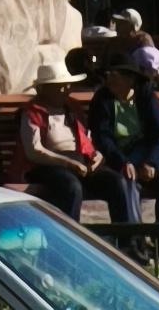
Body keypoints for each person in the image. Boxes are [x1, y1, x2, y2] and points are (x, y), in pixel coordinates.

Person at [89, 51, 159, 244]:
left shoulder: (146, 96)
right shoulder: (102, 99)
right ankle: (135, 240)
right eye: (108, 75)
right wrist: (123, 162)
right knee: (127, 182)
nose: (109, 79)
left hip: (148, 159)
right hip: (120, 160)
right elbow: (102, 137)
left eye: (115, 75)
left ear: (129, 79)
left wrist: (151, 162)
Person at [19, 55, 100, 221]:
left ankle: (130, 242)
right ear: (43, 89)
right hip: (47, 166)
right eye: (59, 86)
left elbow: (87, 139)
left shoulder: (73, 108)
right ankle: (72, 237)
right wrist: (68, 163)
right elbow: (34, 151)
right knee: (71, 187)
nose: (66, 89)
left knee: (117, 182)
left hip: (79, 163)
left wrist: (97, 156)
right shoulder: (32, 112)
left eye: (67, 85)